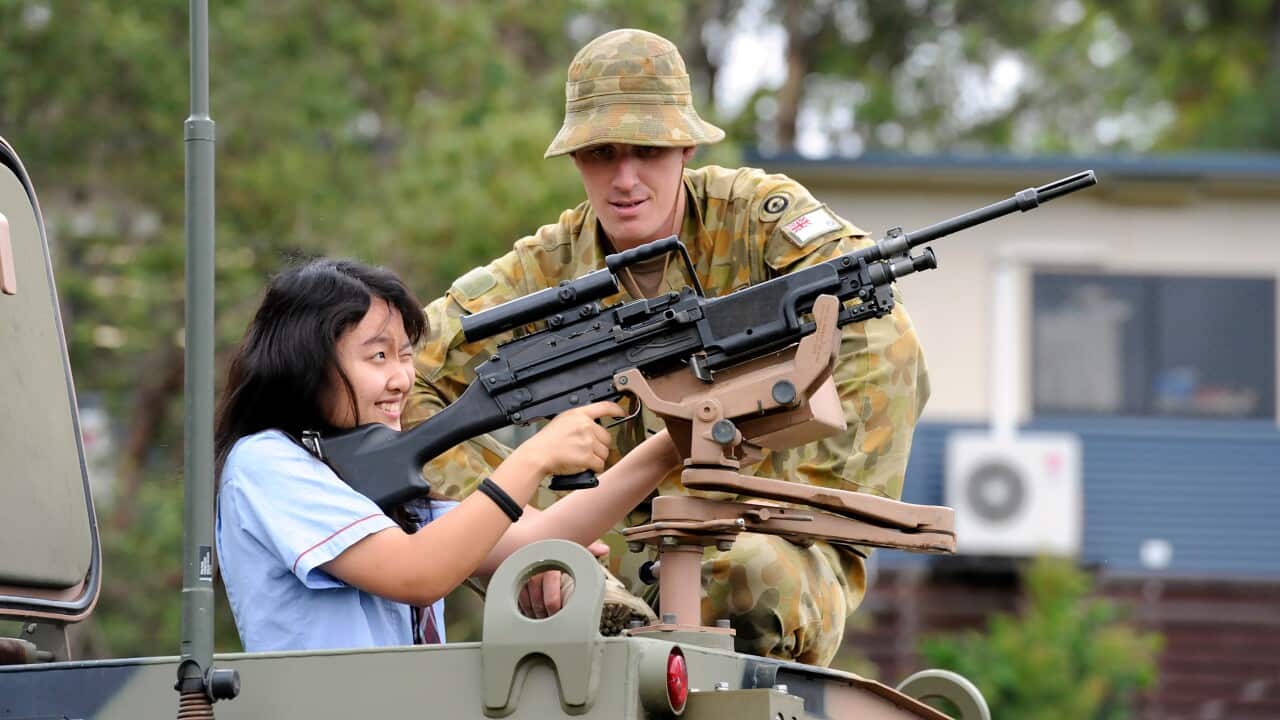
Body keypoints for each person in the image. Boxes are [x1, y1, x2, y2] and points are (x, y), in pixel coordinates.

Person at [404, 28, 929, 666]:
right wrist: (520, 537)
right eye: (602, 153)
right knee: (560, 585)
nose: (625, 179)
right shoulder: (544, 270)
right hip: (609, 550)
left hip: (765, 533)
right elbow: (408, 372)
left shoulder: (758, 220)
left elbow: (873, 324)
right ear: (576, 159)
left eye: (646, 151)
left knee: (749, 574)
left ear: (684, 147)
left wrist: (801, 508)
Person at [214, 258, 680, 652]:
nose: (401, 379)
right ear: (305, 366)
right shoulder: (266, 462)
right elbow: (417, 571)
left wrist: (674, 440)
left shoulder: (368, 479)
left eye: (405, 355)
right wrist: (533, 458)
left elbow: (542, 535)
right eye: (378, 357)